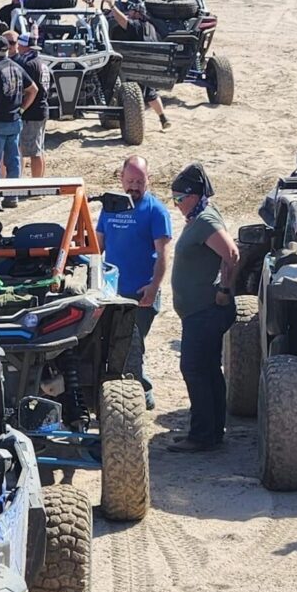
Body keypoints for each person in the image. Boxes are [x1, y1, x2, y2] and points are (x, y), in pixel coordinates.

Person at [169, 162, 240, 452]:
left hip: (206, 311)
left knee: (195, 368)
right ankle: (211, 431)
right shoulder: (200, 218)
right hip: (199, 311)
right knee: (208, 369)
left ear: (194, 195)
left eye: (179, 199)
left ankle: (201, 435)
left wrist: (224, 289)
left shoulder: (206, 220)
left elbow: (233, 254)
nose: (176, 205)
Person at [96, 155, 173, 411]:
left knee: (131, 346)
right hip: (111, 292)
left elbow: (162, 255)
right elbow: (99, 245)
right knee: (118, 345)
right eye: (130, 181)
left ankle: (140, 396)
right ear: (121, 179)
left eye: (139, 181)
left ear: (148, 180)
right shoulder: (110, 208)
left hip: (141, 293)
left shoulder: (155, 211)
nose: (134, 186)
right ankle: (133, 391)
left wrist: (153, 287)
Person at [0, 34, 36, 207]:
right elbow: (33, 89)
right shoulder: (16, 67)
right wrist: (23, 108)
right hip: (14, 121)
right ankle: (12, 197)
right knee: (13, 160)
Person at [105, 0, 170, 131]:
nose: (128, 13)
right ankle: (163, 118)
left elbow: (122, 21)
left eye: (131, 11)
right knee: (151, 93)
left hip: (137, 68)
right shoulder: (151, 27)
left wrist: (111, 5)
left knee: (127, 92)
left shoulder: (136, 26)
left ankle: (131, 124)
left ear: (137, 13)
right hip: (151, 68)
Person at [13, 33, 50, 179]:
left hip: (32, 112)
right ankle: (38, 181)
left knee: (32, 152)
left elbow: (26, 89)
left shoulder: (27, 64)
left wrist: (21, 108)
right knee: (37, 149)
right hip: (41, 109)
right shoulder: (41, 62)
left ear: (22, 46)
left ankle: (36, 184)